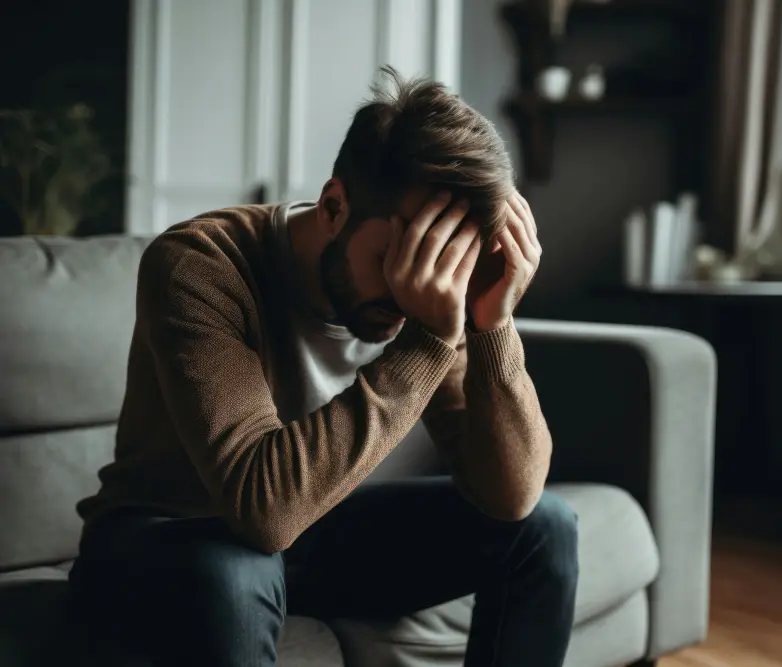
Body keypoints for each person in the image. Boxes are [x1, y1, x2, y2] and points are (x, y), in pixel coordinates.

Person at [68, 67, 578, 667]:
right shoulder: (200, 264)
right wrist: (428, 345)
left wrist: (493, 325)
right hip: (157, 538)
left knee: (544, 527)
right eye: (393, 257)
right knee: (233, 572)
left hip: (302, 535)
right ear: (334, 205)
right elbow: (263, 511)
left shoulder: (432, 294)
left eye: (439, 265)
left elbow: (512, 497)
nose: (411, 289)